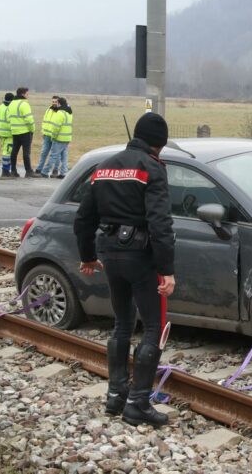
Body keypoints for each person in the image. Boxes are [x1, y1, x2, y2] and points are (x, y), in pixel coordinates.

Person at [74, 112, 176, 429]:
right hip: (140, 256)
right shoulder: (153, 170)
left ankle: (116, 395)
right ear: (158, 144)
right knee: (154, 328)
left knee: (121, 323)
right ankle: (138, 404)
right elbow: (160, 224)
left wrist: (88, 256)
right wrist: (167, 270)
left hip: (110, 254)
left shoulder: (102, 167)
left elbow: (83, 218)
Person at [7, 87, 38, 177]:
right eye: (27, 94)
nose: (28, 95)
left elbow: (9, 118)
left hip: (15, 131)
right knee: (26, 153)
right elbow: (29, 119)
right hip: (25, 132)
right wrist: (32, 129)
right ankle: (28, 171)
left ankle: (13, 171)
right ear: (23, 94)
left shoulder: (12, 103)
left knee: (14, 152)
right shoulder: (24, 104)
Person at [42, 97, 72, 179]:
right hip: (67, 138)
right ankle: (63, 173)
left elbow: (56, 127)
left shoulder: (60, 113)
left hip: (59, 138)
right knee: (64, 156)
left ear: (59, 103)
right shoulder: (69, 113)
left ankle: (45, 171)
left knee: (53, 156)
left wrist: (53, 136)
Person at [35, 96, 60, 176]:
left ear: (58, 102)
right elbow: (44, 121)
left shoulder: (60, 112)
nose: (54, 103)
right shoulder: (48, 110)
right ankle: (39, 169)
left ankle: (55, 170)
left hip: (55, 136)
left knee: (56, 154)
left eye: (55, 102)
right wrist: (43, 132)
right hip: (47, 135)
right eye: (53, 101)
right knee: (44, 152)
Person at [0, 92, 14, 177]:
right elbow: (11, 121)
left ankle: (5, 170)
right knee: (7, 152)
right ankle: (5, 170)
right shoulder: (9, 109)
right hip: (9, 134)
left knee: (4, 151)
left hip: (0, 133)